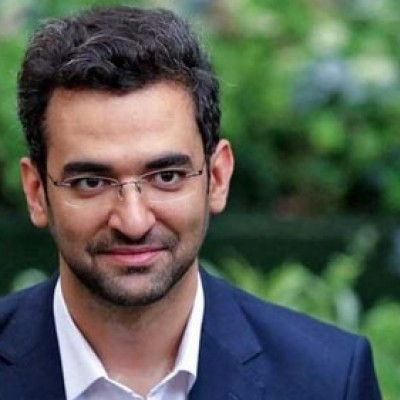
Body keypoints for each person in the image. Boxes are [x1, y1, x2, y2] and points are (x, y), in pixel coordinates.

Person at [0, 5, 381, 400]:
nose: (133, 221)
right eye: (91, 182)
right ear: (36, 192)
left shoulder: (327, 381)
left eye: (166, 177)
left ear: (218, 177)